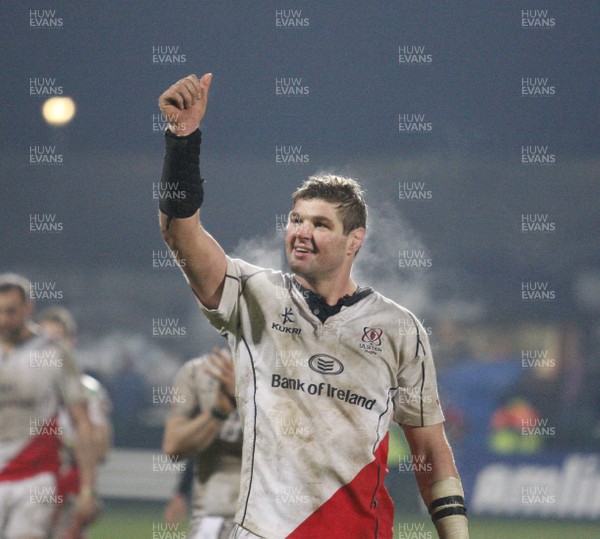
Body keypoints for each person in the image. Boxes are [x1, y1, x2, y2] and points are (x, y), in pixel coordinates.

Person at [156, 73, 469, 538]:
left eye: (320, 224)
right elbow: (180, 233)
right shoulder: (253, 294)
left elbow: (430, 448)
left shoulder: (399, 328)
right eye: (295, 219)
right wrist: (183, 141)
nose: (301, 232)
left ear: (354, 240)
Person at [0, 274, 97, 538]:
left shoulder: (53, 352)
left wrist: (87, 489)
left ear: (28, 308)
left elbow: (82, 422)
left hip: (35, 479)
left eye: (10, 312)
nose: (3, 320)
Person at [37, 306, 113, 539]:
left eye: (58, 340)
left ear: (70, 344)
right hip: (26, 480)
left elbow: (101, 450)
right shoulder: (22, 386)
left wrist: (88, 491)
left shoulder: (88, 390)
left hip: (68, 482)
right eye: (45, 340)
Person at [163, 347, 242, 538]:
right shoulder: (198, 372)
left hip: (274, 518)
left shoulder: (290, 372)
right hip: (216, 515)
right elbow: (173, 447)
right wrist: (219, 412)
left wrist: (247, 398)